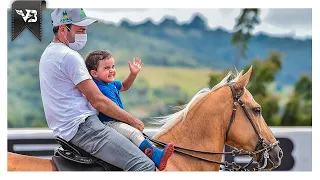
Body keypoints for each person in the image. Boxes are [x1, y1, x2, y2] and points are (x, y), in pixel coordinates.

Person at [39, 8, 155, 171]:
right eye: (80, 30)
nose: (84, 34)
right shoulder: (69, 56)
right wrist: (133, 121)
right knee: (144, 165)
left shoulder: (48, 54)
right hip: (84, 128)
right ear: (63, 29)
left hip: (67, 130)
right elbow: (99, 100)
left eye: (85, 30)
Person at [85, 50, 174, 171]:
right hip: (108, 123)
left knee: (136, 134)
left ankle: (153, 152)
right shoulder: (95, 86)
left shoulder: (112, 84)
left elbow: (125, 86)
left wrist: (133, 74)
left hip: (118, 122)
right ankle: (156, 156)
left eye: (113, 66)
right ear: (94, 73)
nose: (111, 70)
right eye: (106, 68)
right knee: (133, 133)